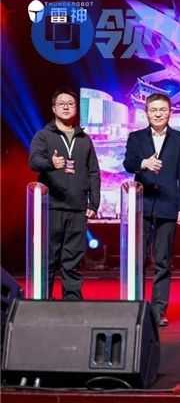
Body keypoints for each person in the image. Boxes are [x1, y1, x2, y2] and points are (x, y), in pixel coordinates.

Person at [123, 93, 180, 326]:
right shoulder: (136, 137)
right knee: (138, 259)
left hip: (168, 205)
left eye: (162, 110)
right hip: (142, 205)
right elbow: (128, 164)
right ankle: (136, 308)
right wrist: (144, 163)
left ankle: (159, 310)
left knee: (163, 261)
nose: (158, 114)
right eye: (154, 110)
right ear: (146, 113)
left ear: (170, 112)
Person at [28, 88, 100, 300]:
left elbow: (94, 172)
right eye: (62, 104)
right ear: (54, 108)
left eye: (71, 103)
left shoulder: (84, 139)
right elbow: (33, 161)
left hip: (78, 208)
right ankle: (43, 303)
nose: (66, 107)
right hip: (52, 207)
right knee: (48, 258)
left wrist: (94, 203)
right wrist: (51, 163)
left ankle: (72, 303)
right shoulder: (44, 135)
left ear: (76, 108)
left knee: (73, 261)